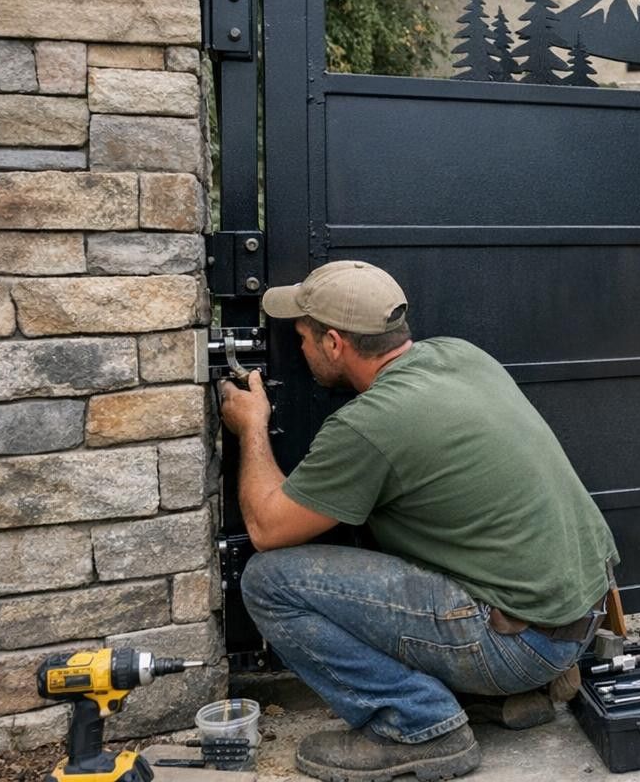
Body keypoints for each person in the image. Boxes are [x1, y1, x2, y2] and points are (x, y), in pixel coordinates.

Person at [217, 260, 619, 780]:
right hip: (582, 620)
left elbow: (267, 530)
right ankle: (501, 696)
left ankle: (419, 725)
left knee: (268, 582)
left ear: (334, 343)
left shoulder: (370, 425)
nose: (299, 349)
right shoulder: (460, 355)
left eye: (301, 337)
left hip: (522, 644)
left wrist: (252, 425)